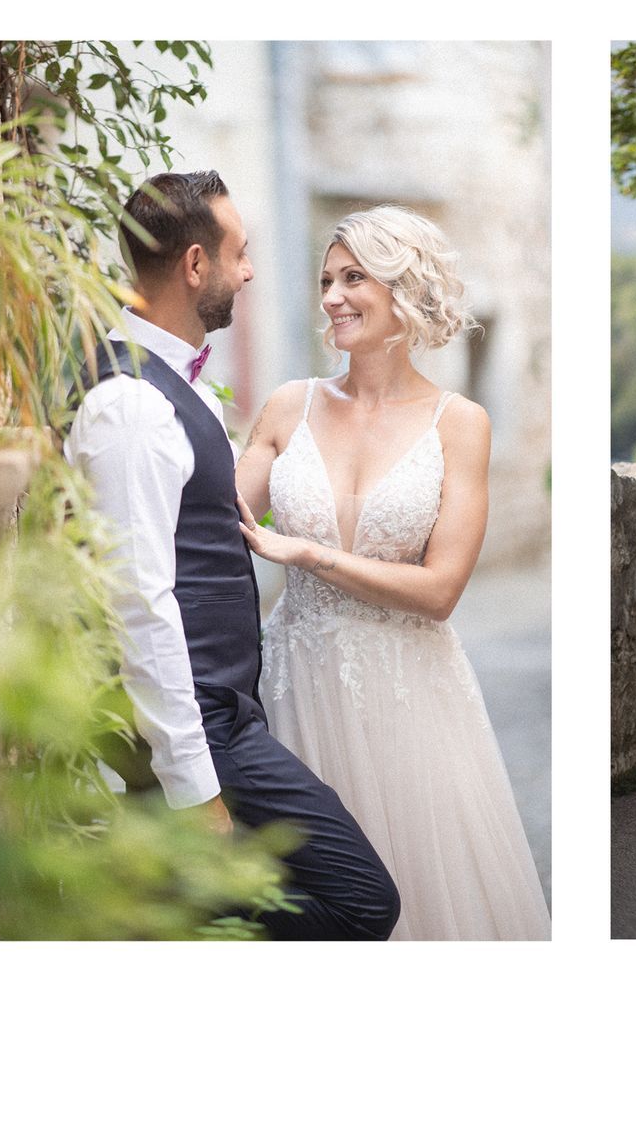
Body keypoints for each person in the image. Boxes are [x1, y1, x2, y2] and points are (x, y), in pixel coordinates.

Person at [65, 171, 400, 939]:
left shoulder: (168, 392)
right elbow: (138, 603)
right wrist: (192, 787)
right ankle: (148, 912)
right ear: (194, 265)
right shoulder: (132, 407)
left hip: (228, 718)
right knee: (361, 903)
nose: (248, 271)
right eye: (239, 254)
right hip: (204, 732)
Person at [235, 206, 550, 939]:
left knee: (418, 889)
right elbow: (214, 518)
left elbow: (441, 590)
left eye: (354, 278)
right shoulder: (289, 406)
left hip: (410, 693)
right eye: (326, 280)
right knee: (310, 896)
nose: (333, 297)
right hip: (294, 684)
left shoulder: (459, 422)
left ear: (403, 288)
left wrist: (310, 553)